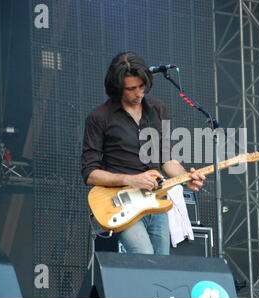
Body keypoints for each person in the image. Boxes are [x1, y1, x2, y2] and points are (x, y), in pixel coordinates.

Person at [81, 52, 205, 255]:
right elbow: (90, 174)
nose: (139, 93)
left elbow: (166, 159)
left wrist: (185, 180)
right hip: (122, 203)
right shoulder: (99, 117)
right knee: (145, 259)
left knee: (162, 267)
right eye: (131, 89)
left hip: (157, 200)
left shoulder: (157, 110)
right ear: (117, 88)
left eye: (141, 87)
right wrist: (132, 180)